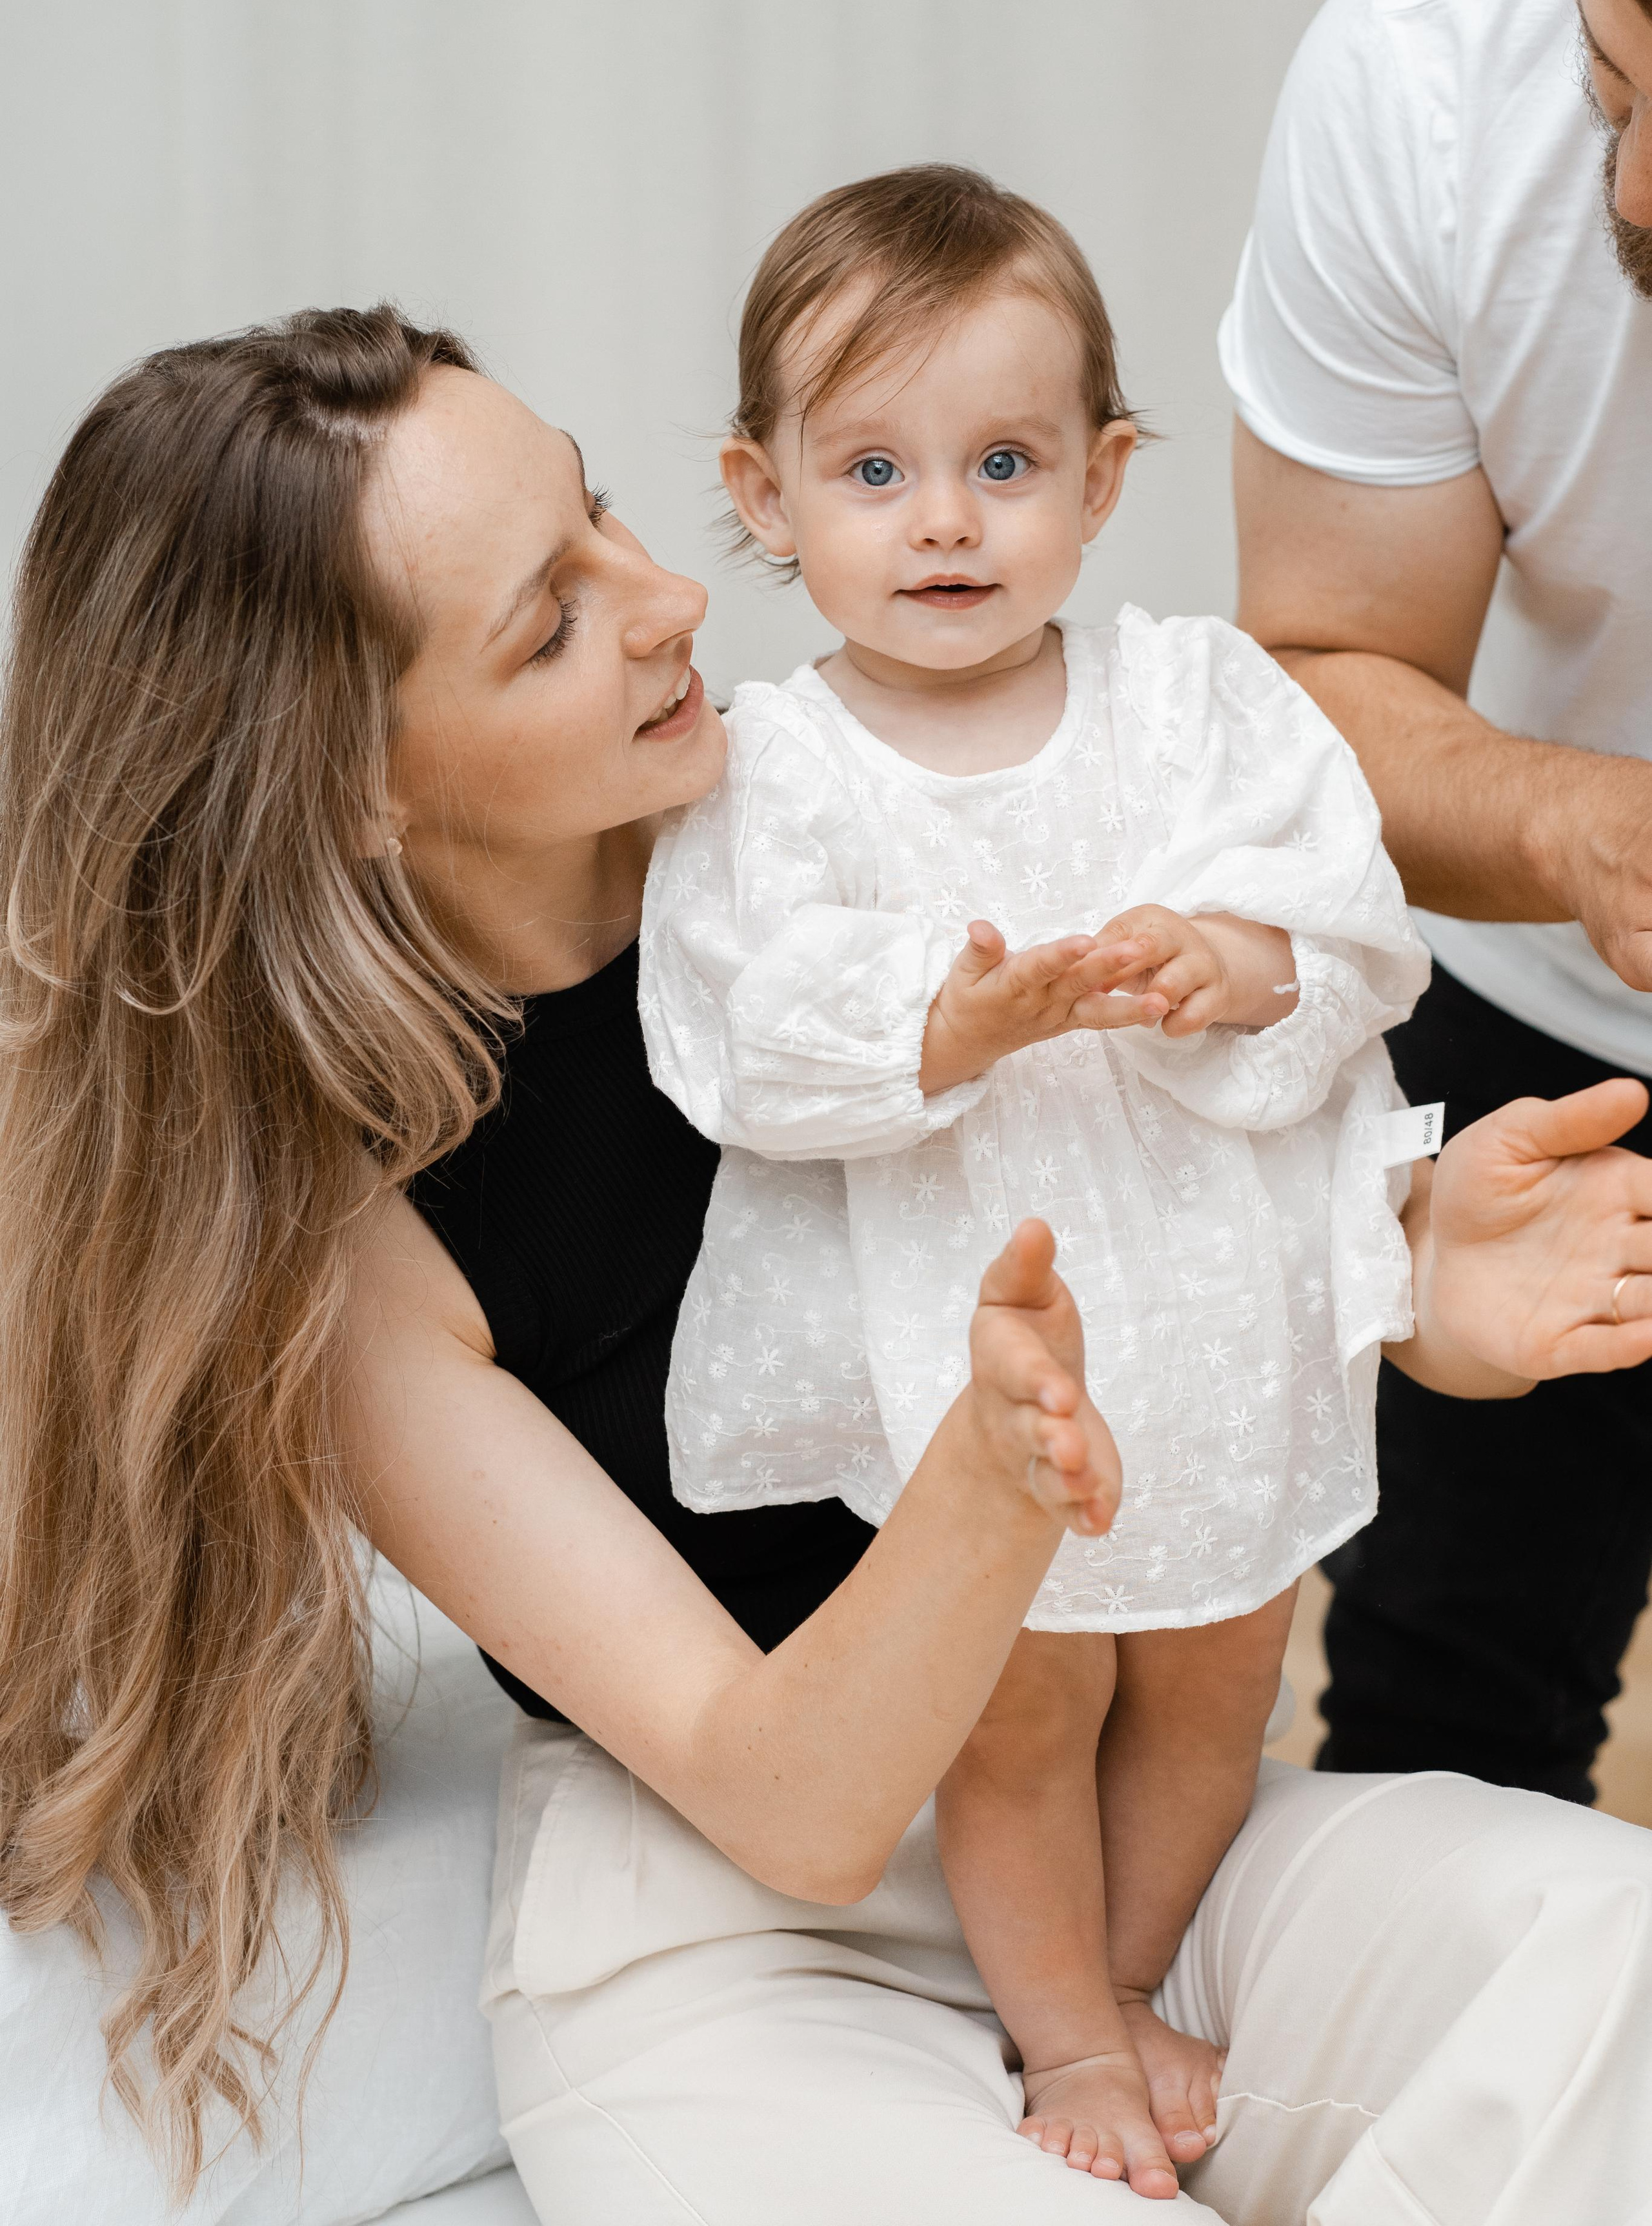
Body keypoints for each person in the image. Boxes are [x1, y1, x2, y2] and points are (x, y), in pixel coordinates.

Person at [5, 307, 1652, 2226]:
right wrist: (983, 1486)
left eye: (603, 514)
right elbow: (786, 1793)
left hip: (1135, 1862)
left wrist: (1408, 1273)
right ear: (351, 785)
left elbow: (1180, 1214)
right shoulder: (364, 1246)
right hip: (749, 1950)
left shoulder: (867, 816)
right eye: (549, 622)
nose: (670, 601)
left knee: (1610, 1969)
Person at [641, 163, 1432, 2192]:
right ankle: (1063, 2032)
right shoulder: (781, 765)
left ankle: (1140, 1965)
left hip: (1210, 1304)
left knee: (1225, 1662)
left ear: (1102, 475)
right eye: (875, 468)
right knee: (1019, 1698)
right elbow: (740, 1025)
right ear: (768, 492)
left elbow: (1343, 912)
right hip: (967, 1316)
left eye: (1005, 460)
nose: (945, 521)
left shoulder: (1193, 698)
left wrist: (1236, 962)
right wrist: (946, 1020)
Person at [1224, 0, 1652, 1799]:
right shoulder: (1423, 73)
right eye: (1615, 79)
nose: (1634, 197)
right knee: (1445, 1718)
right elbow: (1325, 678)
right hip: (1552, 1009)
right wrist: (1574, 822)